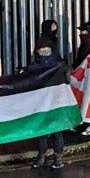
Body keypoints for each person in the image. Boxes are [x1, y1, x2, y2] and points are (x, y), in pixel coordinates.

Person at [28, 38, 69, 170]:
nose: (44, 51)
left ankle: (50, 157)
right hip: (49, 102)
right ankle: (50, 157)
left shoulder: (47, 65)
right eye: (41, 48)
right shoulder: (57, 64)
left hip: (51, 102)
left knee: (50, 131)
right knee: (48, 131)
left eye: (46, 48)